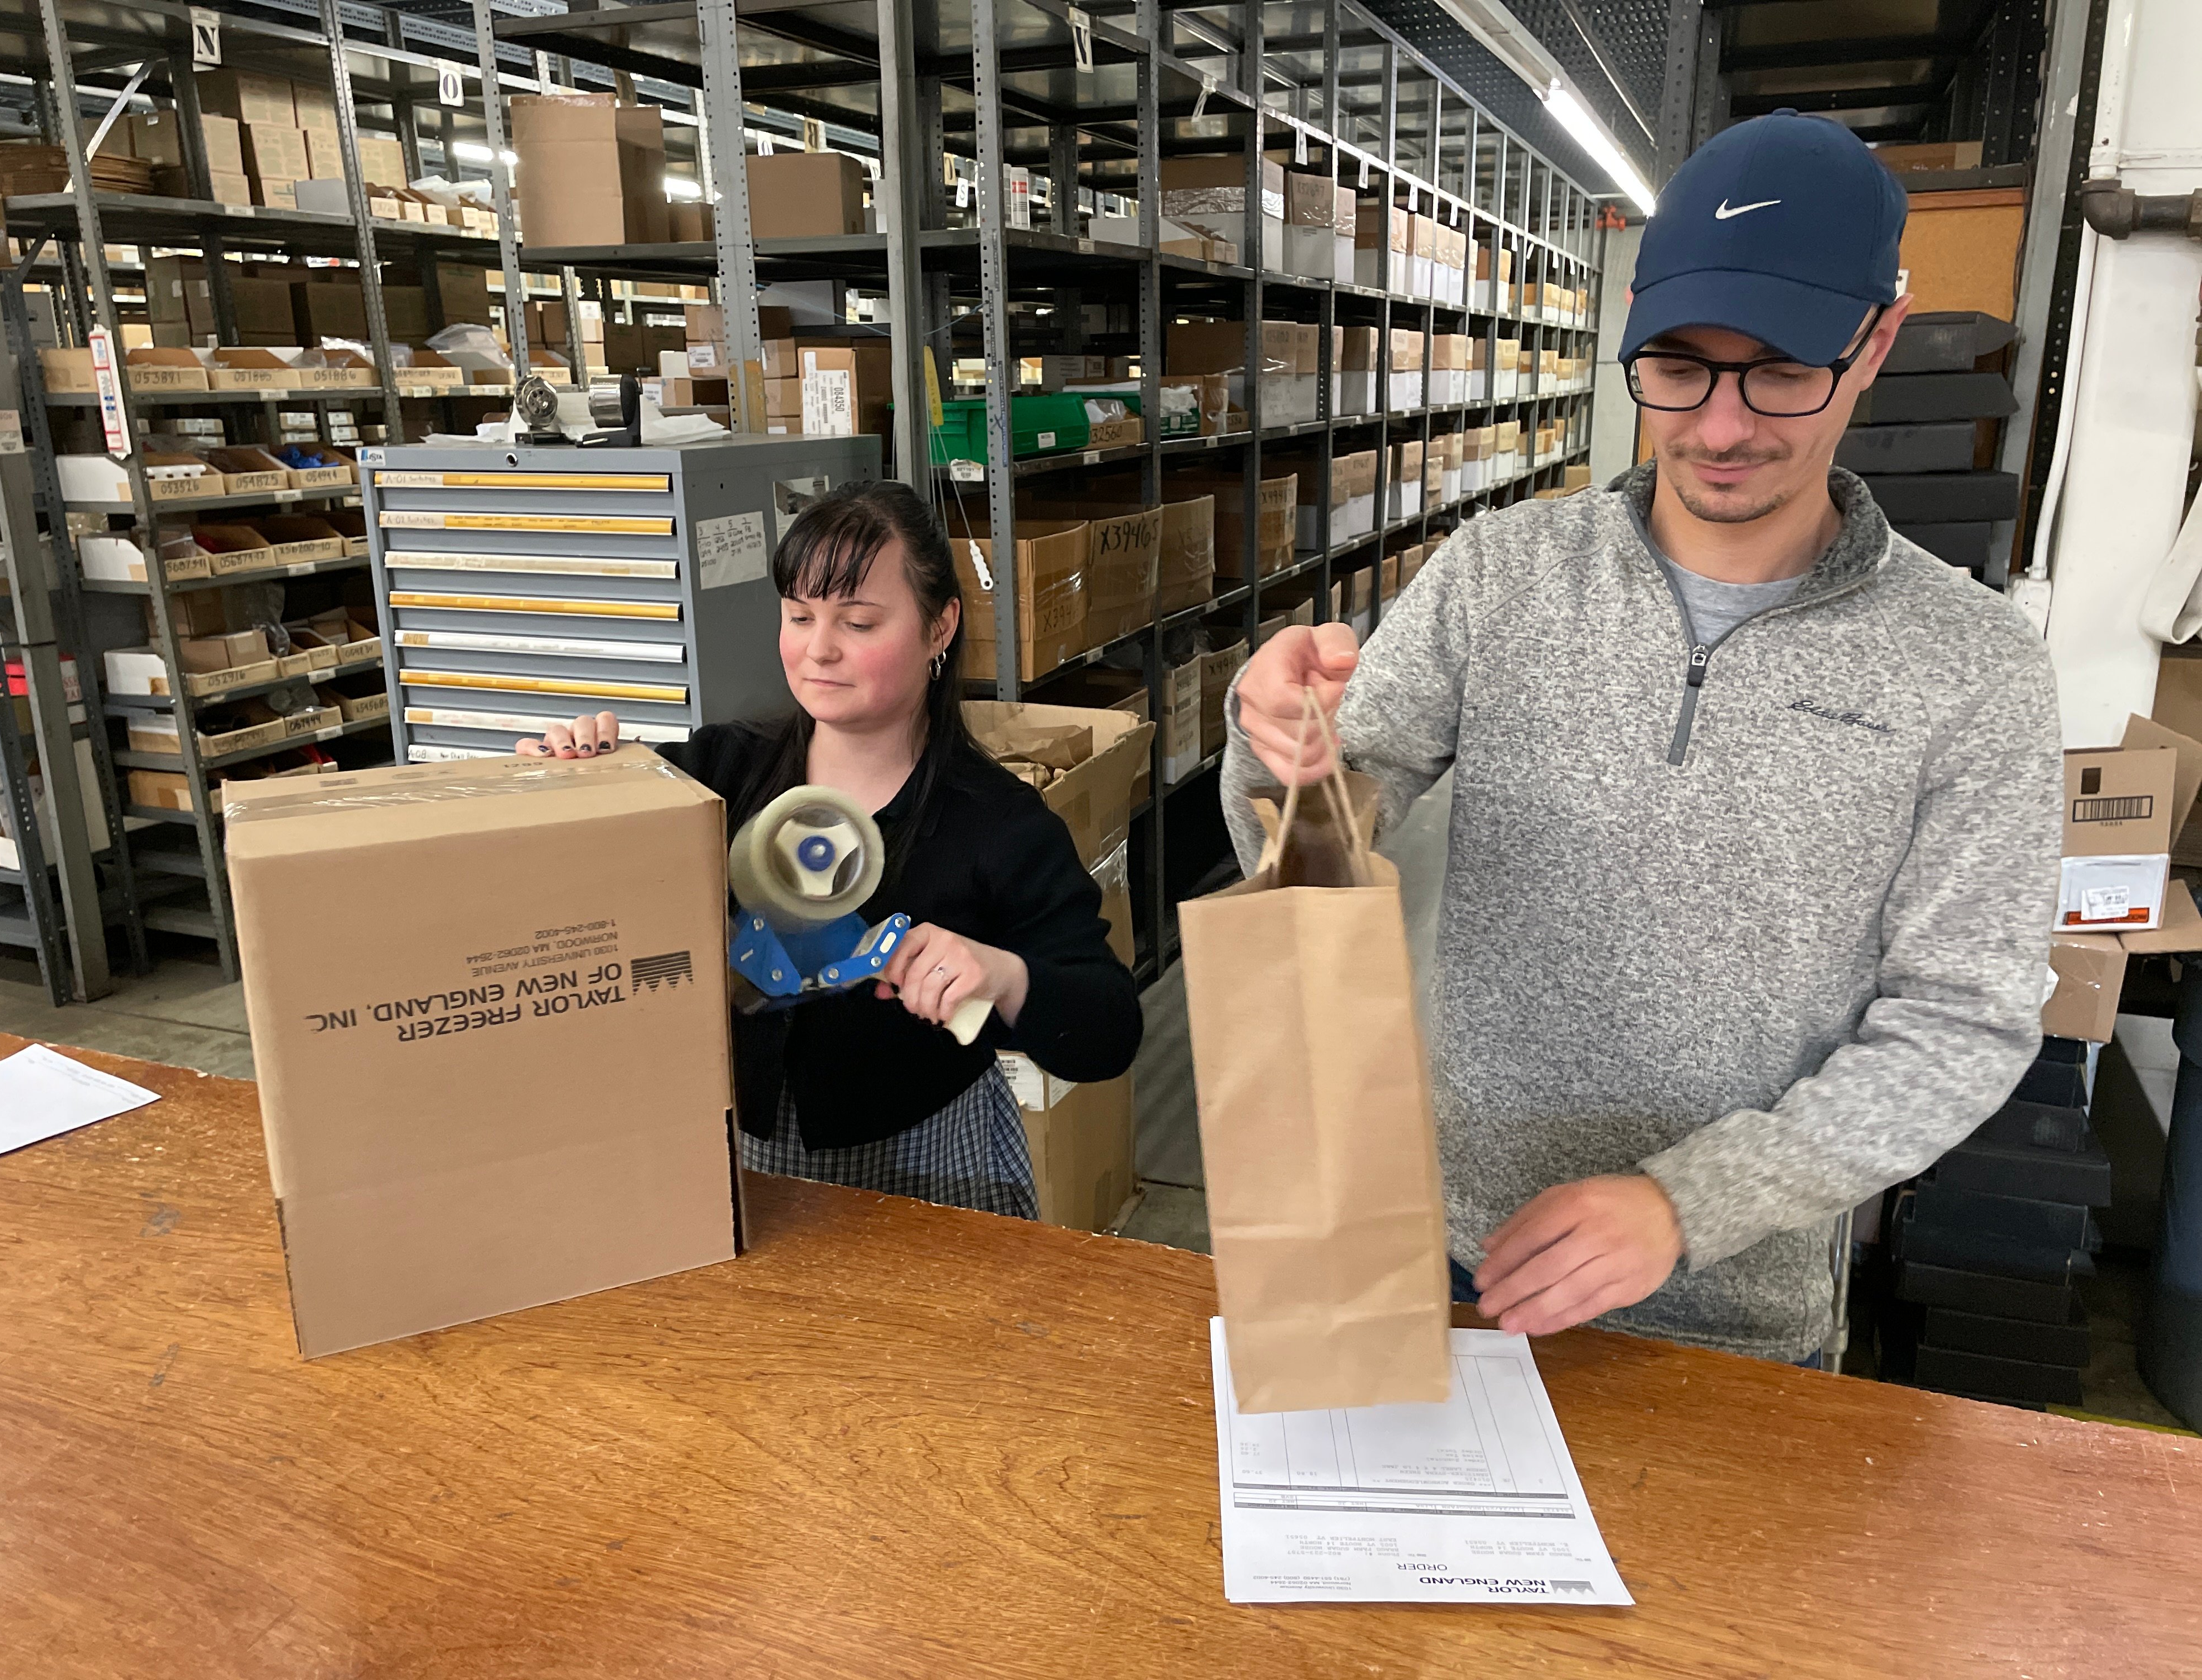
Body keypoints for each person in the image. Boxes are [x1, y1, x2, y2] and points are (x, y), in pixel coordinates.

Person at [1224, 109, 2062, 1364]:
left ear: (1877, 340)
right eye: (1677, 366)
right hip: (1464, 1255)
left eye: (1783, 371)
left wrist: (1689, 1203)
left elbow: (1964, 1019)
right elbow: (1322, 846)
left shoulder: (1975, 668)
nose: (1720, 428)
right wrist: (1284, 755)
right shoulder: (1499, 574)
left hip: (1741, 1315)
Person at [521, 480, 1141, 1218]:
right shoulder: (720, 772)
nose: (819, 649)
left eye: (858, 621)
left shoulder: (997, 824)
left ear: (939, 628)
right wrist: (579, 771)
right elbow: (577, 880)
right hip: (753, 1154)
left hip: (935, 1167)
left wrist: (1003, 974)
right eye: (799, 616)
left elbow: (1107, 1031)